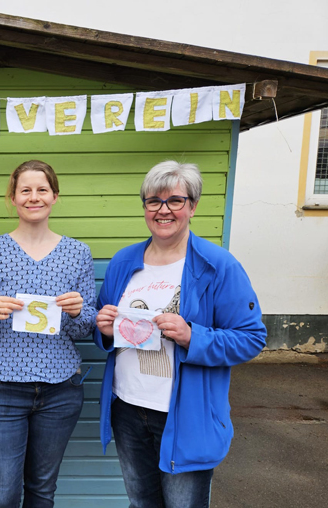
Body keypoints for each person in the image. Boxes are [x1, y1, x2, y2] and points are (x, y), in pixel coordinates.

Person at [94, 161, 267, 508]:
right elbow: (105, 327)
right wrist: (106, 330)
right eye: (153, 201)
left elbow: (251, 338)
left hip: (186, 414)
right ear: (144, 207)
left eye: (175, 200)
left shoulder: (217, 265)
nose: (163, 210)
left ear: (192, 206)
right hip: (127, 407)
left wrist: (193, 336)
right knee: (142, 503)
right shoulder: (124, 261)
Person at [0, 160, 97, 508]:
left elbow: (86, 328)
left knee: (41, 491)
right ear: (13, 197)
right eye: (25, 190)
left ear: (55, 196)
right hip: (1, 388)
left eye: (42, 190)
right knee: (3, 494)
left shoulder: (78, 253)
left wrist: (77, 311)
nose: (33, 197)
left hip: (60, 389)